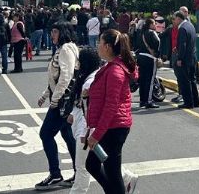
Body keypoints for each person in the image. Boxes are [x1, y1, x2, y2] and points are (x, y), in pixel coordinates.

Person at [85, 29, 137, 194]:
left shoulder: (115, 71)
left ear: (107, 46)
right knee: (93, 165)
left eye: (99, 42)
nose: (97, 46)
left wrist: (96, 134)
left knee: (112, 173)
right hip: (110, 126)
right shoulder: (110, 66)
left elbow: (111, 106)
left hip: (114, 128)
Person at [35, 21, 80, 190]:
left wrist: (55, 99)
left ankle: (55, 174)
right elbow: (57, 76)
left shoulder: (66, 49)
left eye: (55, 32)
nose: (52, 35)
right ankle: (78, 171)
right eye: (52, 31)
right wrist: (46, 94)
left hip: (62, 102)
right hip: (63, 99)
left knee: (45, 134)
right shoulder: (65, 48)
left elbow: (66, 76)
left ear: (63, 32)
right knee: (68, 135)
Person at [172, 10, 199, 109]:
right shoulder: (190, 26)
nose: (173, 21)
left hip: (185, 59)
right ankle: (195, 102)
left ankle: (188, 103)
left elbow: (183, 44)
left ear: (179, 19)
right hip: (193, 57)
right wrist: (177, 47)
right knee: (192, 80)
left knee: (185, 81)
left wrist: (180, 58)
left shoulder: (182, 29)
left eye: (174, 19)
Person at [133, 13, 161, 109]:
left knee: (142, 80)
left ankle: (142, 100)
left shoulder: (140, 32)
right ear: (150, 24)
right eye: (154, 23)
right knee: (150, 80)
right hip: (149, 58)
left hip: (140, 57)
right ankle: (148, 101)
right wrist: (157, 53)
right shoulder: (152, 33)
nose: (155, 25)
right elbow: (157, 43)